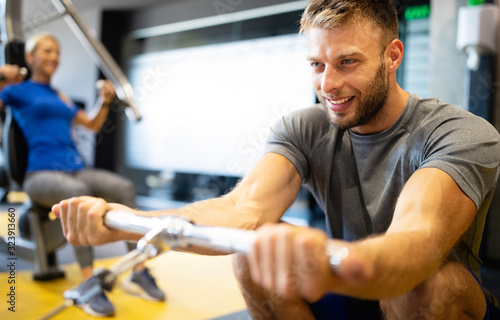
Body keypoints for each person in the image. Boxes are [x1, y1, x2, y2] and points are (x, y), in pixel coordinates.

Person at [52, 0, 500, 319]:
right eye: (317, 65)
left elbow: (415, 245)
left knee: (426, 286)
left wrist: (326, 258)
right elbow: (240, 210)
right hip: (350, 292)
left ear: (392, 57)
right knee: (251, 253)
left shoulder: (458, 133)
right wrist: (123, 217)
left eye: (347, 62)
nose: (328, 84)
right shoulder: (305, 127)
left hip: (426, 300)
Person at [0, 32, 165, 317]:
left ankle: (138, 270)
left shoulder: (59, 95)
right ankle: (89, 282)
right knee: (80, 194)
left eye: (57, 52)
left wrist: (104, 100)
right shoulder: (16, 91)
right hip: (39, 174)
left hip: (76, 169)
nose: (54, 57)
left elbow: (90, 124)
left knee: (123, 188)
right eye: (47, 51)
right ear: (30, 57)